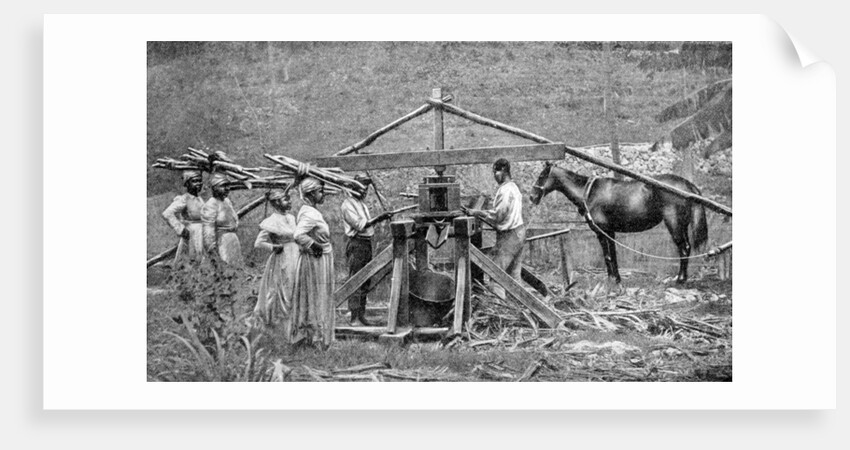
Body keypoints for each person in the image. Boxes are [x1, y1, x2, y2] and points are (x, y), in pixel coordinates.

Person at [464, 158, 526, 299]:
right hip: (519, 233)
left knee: (496, 276)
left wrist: (476, 212)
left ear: (503, 171)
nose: (494, 176)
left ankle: (500, 311)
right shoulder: (514, 187)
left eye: (495, 172)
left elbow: (498, 215)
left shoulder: (505, 190)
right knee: (513, 277)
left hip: (509, 236)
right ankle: (519, 310)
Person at [340, 174, 393, 326]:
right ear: (353, 187)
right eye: (362, 187)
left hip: (366, 243)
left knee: (365, 280)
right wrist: (380, 218)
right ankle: (354, 317)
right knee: (356, 279)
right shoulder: (347, 204)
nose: (365, 191)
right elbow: (361, 225)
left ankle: (361, 314)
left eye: (367, 188)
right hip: (357, 244)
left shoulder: (361, 204)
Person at [289, 177, 335, 349]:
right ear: (310, 193)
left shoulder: (312, 211)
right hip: (315, 261)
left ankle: (317, 337)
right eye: (320, 191)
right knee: (316, 296)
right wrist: (313, 244)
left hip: (321, 259)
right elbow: (298, 234)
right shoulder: (308, 213)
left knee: (319, 295)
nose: (323, 194)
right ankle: (313, 337)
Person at [250, 190, 299, 337]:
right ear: (276, 203)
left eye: (289, 199)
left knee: (295, 288)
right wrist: (273, 247)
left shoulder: (291, 217)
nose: (289, 202)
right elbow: (258, 243)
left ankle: (294, 326)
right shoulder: (272, 221)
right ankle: (278, 328)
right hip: (282, 258)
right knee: (283, 290)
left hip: (295, 255)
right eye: (286, 200)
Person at [161, 170, 205, 265]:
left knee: (203, 260)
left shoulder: (199, 199)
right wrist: (181, 229)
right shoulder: (184, 199)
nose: (198, 184)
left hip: (202, 232)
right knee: (190, 260)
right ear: (187, 183)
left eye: (199, 181)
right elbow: (167, 213)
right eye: (194, 181)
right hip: (192, 233)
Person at [201, 172, 243, 267]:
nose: (227, 188)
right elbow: (208, 231)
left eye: (228, 185)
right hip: (221, 244)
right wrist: (213, 252)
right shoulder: (211, 205)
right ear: (215, 187)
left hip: (232, 243)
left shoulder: (227, 202)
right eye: (223, 185)